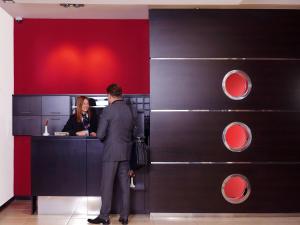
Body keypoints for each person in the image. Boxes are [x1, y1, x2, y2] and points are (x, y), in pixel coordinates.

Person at [88, 84, 134, 225]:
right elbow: (130, 131)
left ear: (109, 95)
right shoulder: (129, 110)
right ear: (120, 94)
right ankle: (124, 217)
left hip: (111, 153)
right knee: (125, 186)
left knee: (106, 186)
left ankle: (104, 216)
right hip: (125, 153)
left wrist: (100, 134)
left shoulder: (108, 110)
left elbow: (101, 135)